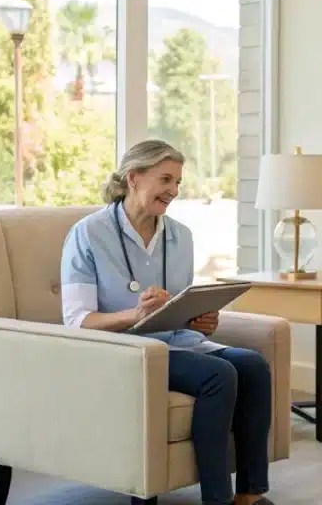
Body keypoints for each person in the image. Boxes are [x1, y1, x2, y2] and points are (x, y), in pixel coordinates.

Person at [60, 139, 275, 505]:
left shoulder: (180, 236)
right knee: (217, 375)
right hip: (123, 349)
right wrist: (135, 314)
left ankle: (250, 496)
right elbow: (78, 321)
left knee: (253, 366)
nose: (174, 191)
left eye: (177, 182)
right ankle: (217, 499)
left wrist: (200, 321)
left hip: (176, 342)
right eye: (165, 180)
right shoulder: (89, 234)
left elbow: (177, 308)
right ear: (134, 178)